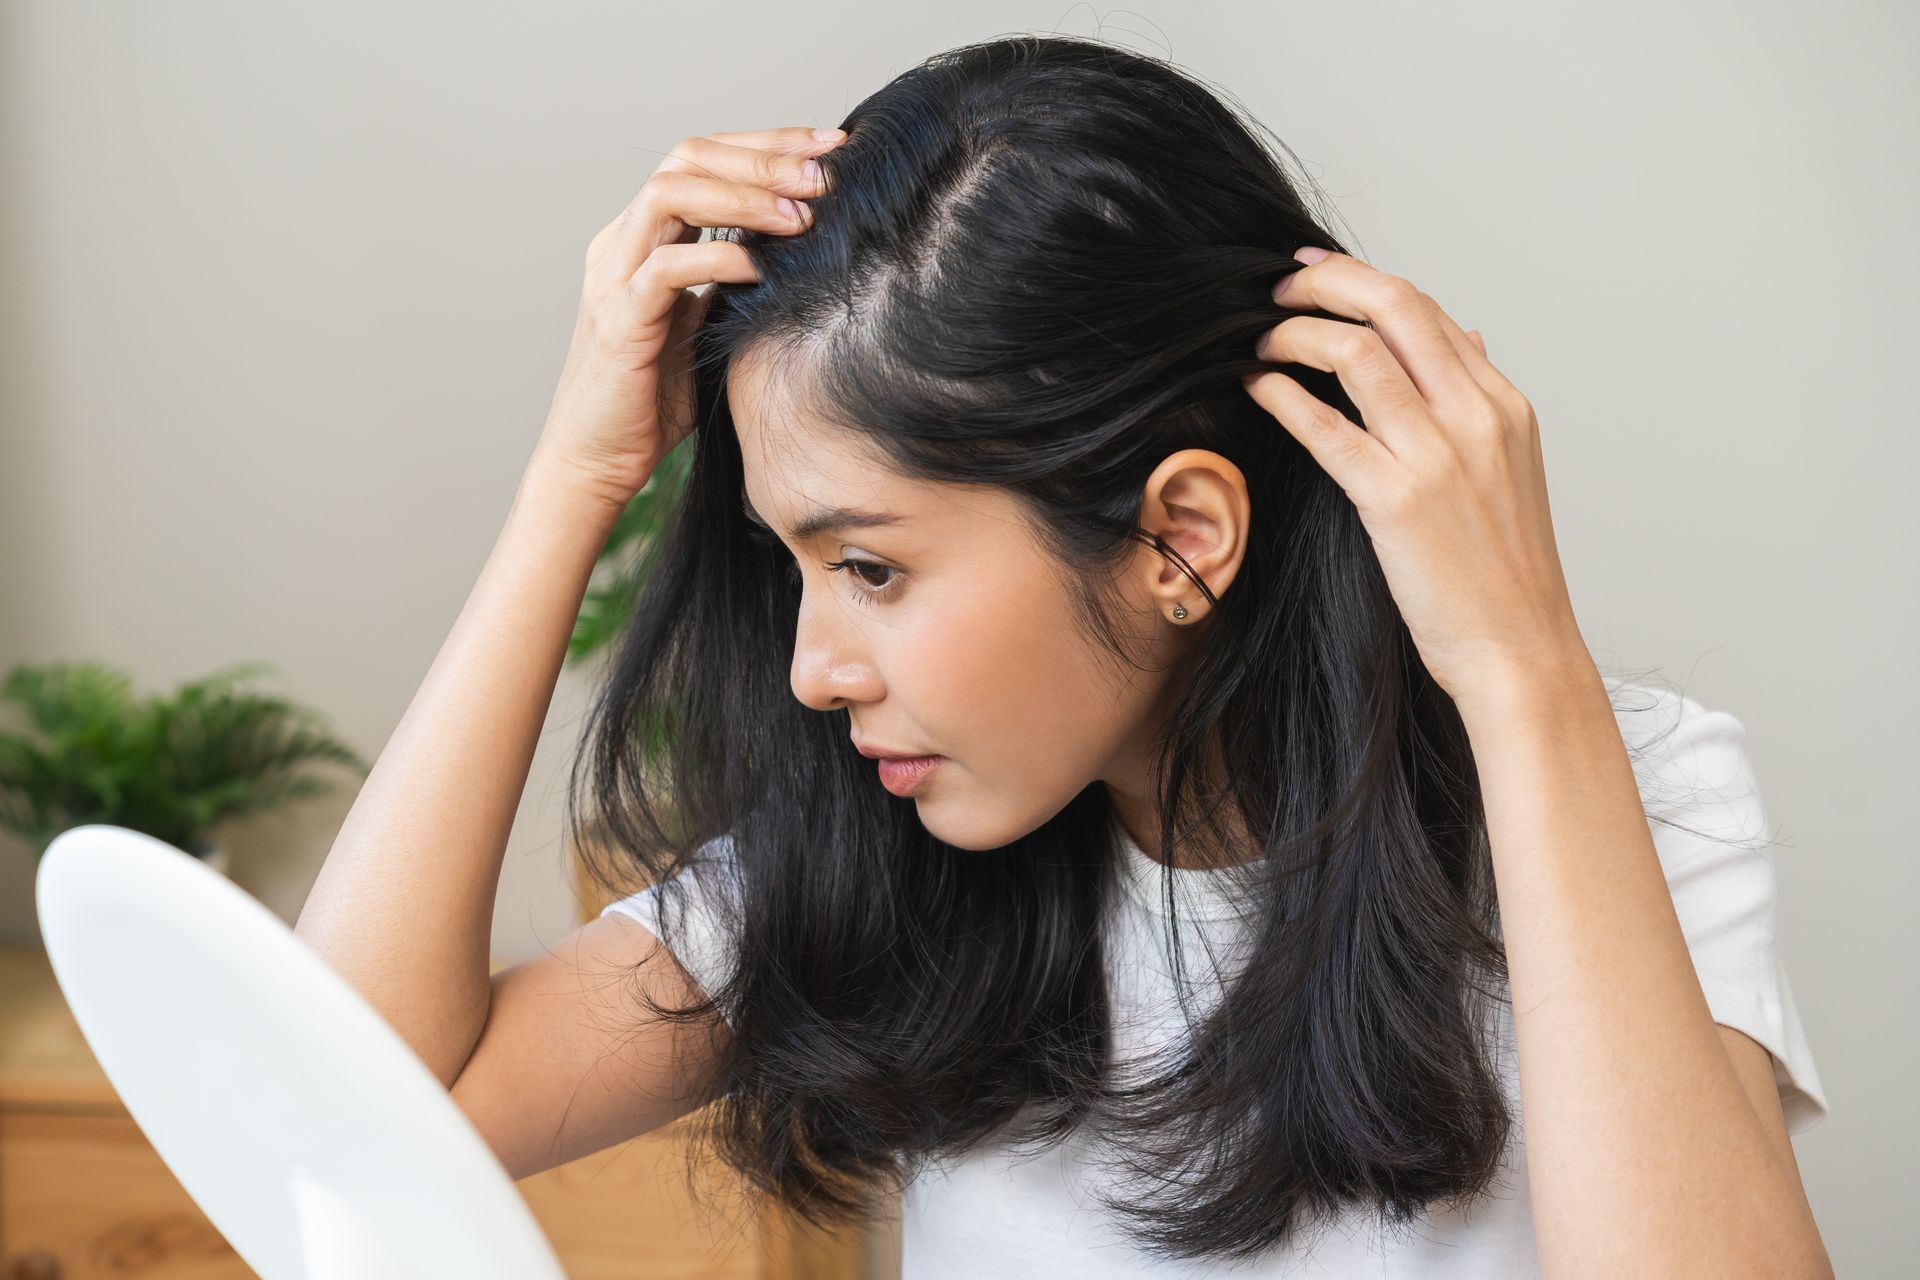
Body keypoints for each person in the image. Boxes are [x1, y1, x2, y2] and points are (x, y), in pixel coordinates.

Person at [295, 34, 1832, 1278]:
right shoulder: (877, 859)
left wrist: (1523, 677)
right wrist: (571, 479)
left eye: (874, 567)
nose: (813, 669)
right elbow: (349, 1096)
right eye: (797, 567)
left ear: (1179, 540)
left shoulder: (1613, 788)